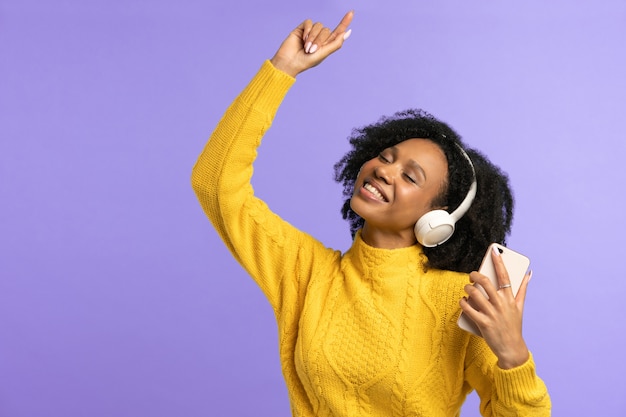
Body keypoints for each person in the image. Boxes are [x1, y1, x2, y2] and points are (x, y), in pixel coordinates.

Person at [192, 11, 551, 417]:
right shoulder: (307, 273)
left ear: (440, 217)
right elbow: (216, 184)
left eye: (410, 176)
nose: (384, 169)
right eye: (384, 156)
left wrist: (512, 354)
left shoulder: (463, 301)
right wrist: (282, 70)